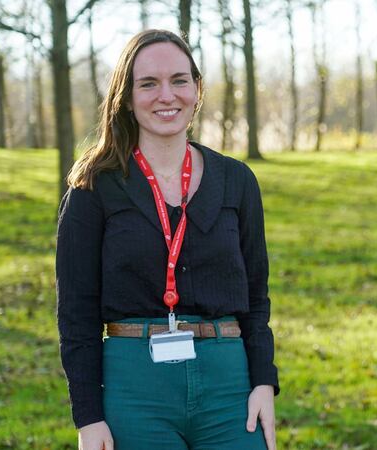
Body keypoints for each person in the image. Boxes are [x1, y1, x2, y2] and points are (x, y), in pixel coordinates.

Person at [56, 29, 278, 450]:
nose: (166, 95)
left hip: (230, 387)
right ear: (126, 95)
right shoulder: (93, 186)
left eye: (179, 80)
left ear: (196, 89)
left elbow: (256, 295)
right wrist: (88, 418)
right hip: (135, 389)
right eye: (148, 83)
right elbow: (76, 312)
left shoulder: (237, 180)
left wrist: (264, 382)